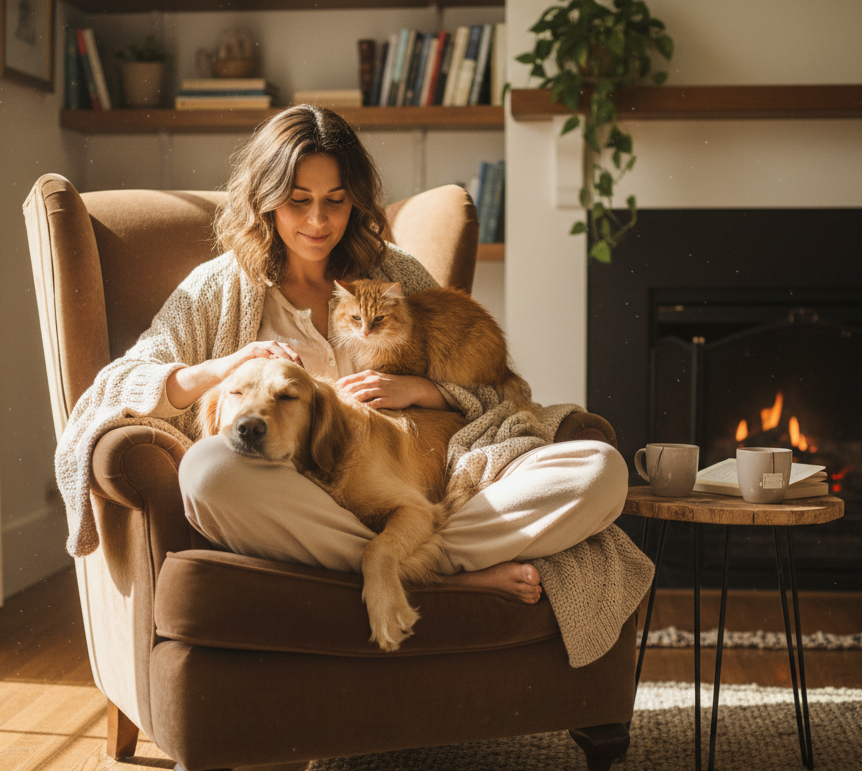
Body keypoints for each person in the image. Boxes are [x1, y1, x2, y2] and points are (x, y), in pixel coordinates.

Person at [57, 104, 628, 607]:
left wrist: (429, 391)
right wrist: (222, 369)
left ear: (356, 202)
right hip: (291, 502)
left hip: (423, 492)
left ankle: (413, 561)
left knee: (600, 469)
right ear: (265, 200)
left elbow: (501, 389)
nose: (318, 222)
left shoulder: (394, 273)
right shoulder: (217, 289)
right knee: (208, 473)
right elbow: (119, 384)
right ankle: (438, 571)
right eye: (298, 201)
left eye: (336, 201)